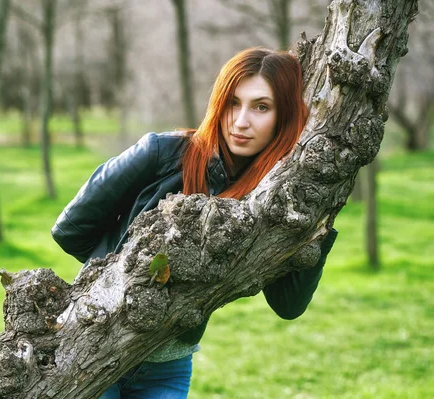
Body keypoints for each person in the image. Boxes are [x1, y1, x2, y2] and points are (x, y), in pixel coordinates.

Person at [51, 47, 338, 399]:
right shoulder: (162, 153)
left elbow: (288, 304)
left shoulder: (276, 197)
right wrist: (121, 283)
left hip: (167, 369)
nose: (241, 121)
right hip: (93, 350)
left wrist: (318, 219)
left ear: (284, 116)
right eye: (233, 102)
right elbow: (70, 229)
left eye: (261, 107)